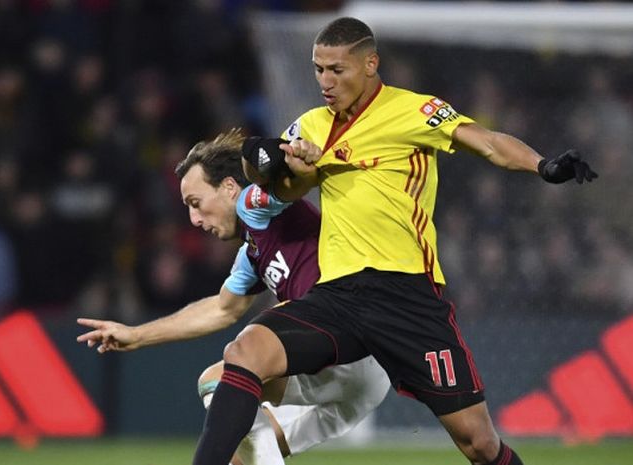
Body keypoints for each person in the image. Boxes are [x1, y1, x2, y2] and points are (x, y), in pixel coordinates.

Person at [191, 17, 597, 465]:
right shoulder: (310, 126)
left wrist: (543, 167)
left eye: (337, 70)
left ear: (370, 64)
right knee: (244, 351)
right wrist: (284, 166)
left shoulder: (413, 111)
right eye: (318, 70)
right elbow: (282, 189)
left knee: (478, 443)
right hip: (338, 295)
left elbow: (486, 142)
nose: (325, 81)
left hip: (407, 294)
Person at [76, 129, 390, 465]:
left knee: (222, 378)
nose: (194, 220)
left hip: (351, 349)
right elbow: (222, 308)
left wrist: (298, 163)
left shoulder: (257, 204)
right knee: (244, 455)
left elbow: (289, 188)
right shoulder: (252, 252)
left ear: (229, 188)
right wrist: (136, 335)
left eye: (196, 204)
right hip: (352, 383)